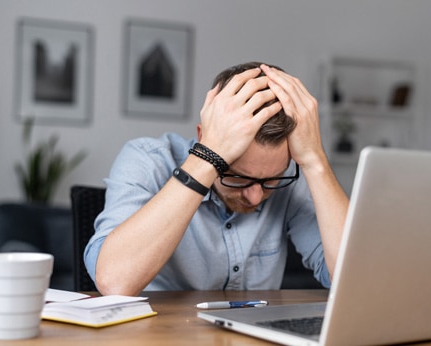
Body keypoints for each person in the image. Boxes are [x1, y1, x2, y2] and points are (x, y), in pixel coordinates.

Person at [84, 61, 349, 296]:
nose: (256, 197)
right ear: (204, 137)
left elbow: (351, 282)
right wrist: (207, 158)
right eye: (238, 178)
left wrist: (316, 162)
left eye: (270, 180)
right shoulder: (147, 159)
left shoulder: (288, 173)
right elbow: (113, 282)